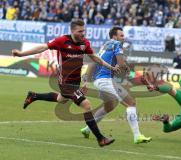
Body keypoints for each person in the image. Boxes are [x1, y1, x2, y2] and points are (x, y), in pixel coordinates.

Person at [11, 19, 120, 147]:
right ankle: (100, 138)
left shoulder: (84, 43)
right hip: (65, 82)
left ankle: (34, 96)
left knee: (61, 99)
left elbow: (95, 58)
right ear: (73, 31)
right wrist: (21, 54)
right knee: (86, 105)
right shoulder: (61, 41)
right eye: (80, 31)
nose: (83, 34)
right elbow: (42, 47)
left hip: (75, 82)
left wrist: (111, 67)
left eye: (84, 31)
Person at [80, 26, 152, 144]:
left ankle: (87, 129)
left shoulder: (105, 45)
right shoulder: (117, 44)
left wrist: (86, 80)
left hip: (99, 81)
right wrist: (131, 72)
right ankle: (137, 136)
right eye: (121, 35)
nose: (123, 38)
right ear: (114, 36)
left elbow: (94, 62)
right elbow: (121, 64)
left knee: (109, 107)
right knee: (131, 103)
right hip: (105, 81)